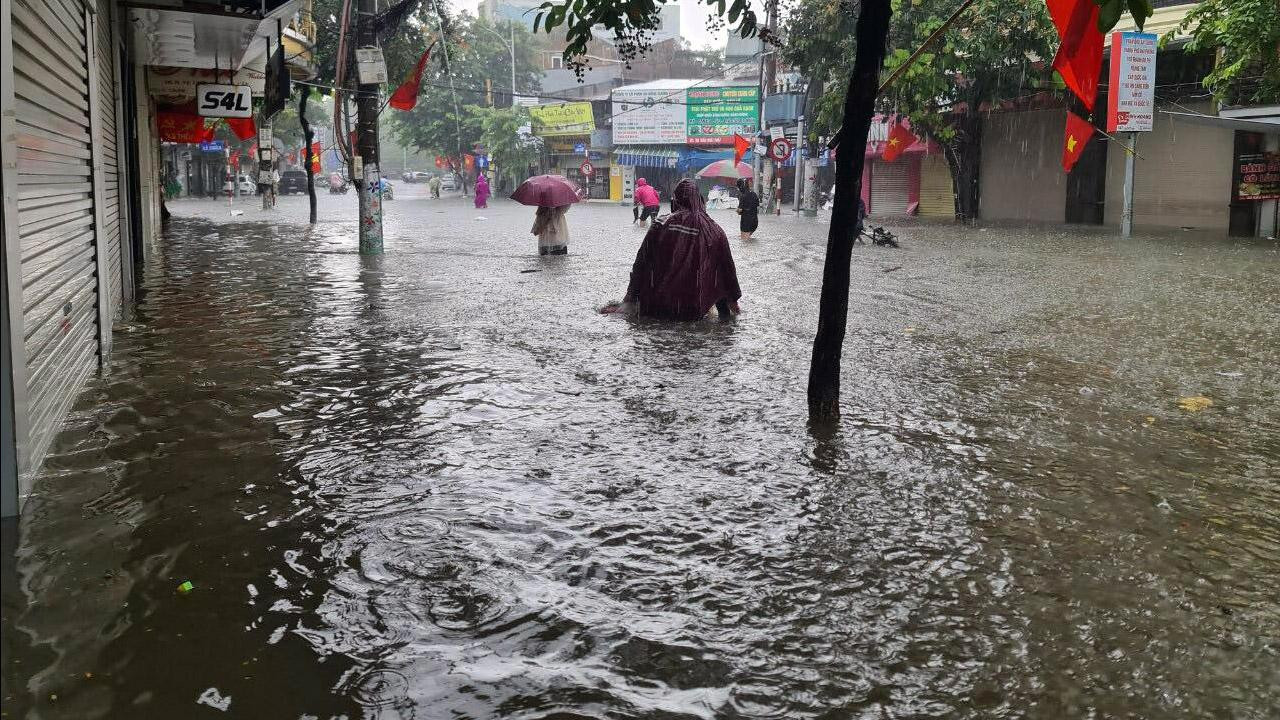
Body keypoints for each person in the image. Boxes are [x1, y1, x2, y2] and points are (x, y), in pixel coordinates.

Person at [622, 179, 741, 320]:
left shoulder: (660, 224)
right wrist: (733, 304)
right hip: (693, 312)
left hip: (655, 307)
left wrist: (629, 299)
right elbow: (726, 273)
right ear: (700, 200)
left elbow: (640, 264)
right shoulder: (716, 231)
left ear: (675, 200)